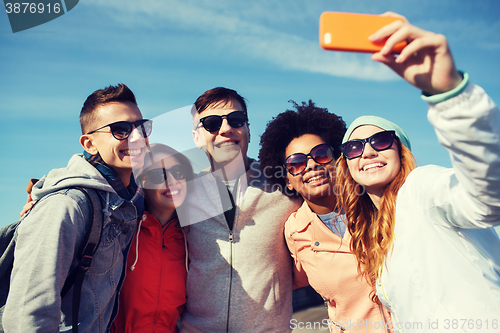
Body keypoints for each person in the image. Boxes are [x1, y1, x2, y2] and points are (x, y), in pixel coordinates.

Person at [335, 14, 500, 331]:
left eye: (381, 141)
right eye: (354, 147)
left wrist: (450, 95)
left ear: (401, 151)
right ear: (347, 163)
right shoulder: (373, 235)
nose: (367, 151)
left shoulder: (422, 189)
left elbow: (487, 197)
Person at [3, 84, 150, 332]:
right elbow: (27, 316)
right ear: (89, 144)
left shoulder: (130, 199)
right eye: (121, 130)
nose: (136, 138)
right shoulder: (66, 206)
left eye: (141, 127)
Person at [259, 100, 392, 332]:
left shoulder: (380, 202)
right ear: (288, 181)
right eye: (296, 163)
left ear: (338, 160)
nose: (310, 165)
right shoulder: (294, 232)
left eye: (320, 154)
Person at [180, 87, 302, 332]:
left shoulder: (286, 185)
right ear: (196, 138)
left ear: (248, 130)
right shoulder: (180, 193)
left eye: (235, 120)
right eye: (211, 124)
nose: (225, 129)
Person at [111, 144, 193, 333]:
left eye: (178, 172)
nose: (171, 181)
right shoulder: (121, 230)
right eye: (158, 175)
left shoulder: (193, 238)